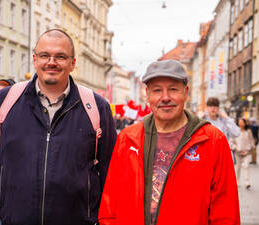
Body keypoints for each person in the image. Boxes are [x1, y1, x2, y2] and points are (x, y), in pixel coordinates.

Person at [0, 29, 117, 225]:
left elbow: (111, 177)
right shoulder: (4, 101)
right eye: (44, 55)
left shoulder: (97, 107)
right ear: (34, 59)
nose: (51, 62)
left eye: (60, 56)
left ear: (73, 63)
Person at [98, 59, 240, 225]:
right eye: (157, 90)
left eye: (173, 89)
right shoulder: (128, 138)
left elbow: (226, 211)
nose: (165, 98)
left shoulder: (213, 140)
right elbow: (110, 203)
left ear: (186, 92)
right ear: (148, 95)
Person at [203, 97, 240, 163]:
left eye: (215, 106)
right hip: (206, 156)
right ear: (207, 108)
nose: (213, 108)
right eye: (210, 106)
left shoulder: (224, 121)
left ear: (218, 108)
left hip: (222, 156)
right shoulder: (202, 121)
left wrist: (226, 118)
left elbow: (236, 133)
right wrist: (198, 117)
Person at [231, 118, 255, 189]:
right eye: (240, 122)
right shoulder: (235, 131)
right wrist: (235, 147)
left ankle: (247, 182)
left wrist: (251, 147)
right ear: (237, 123)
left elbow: (251, 141)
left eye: (242, 122)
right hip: (237, 152)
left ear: (245, 123)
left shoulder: (248, 131)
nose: (241, 124)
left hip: (246, 152)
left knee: (247, 166)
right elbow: (231, 141)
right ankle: (237, 180)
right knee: (238, 167)